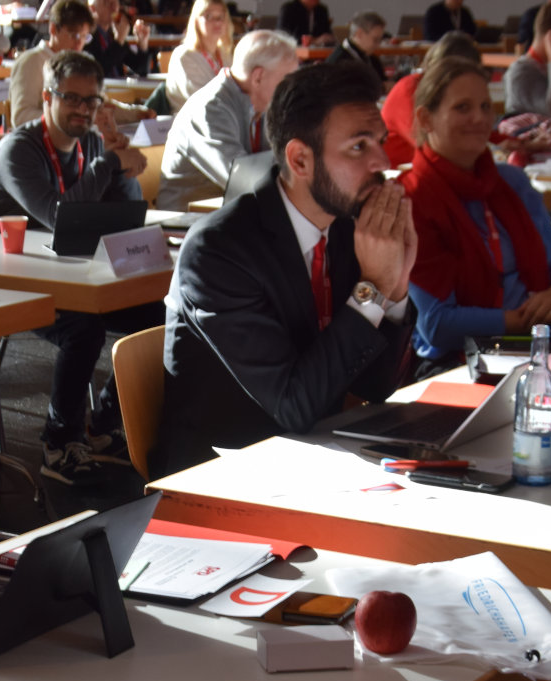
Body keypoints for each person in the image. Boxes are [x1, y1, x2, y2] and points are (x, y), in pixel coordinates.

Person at [154, 61, 417, 478]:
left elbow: (374, 387)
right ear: (299, 160)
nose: (382, 161)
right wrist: (374, 287)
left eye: (380, 142)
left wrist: (396, 287)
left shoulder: (347, 227)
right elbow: (293, 407)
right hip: (226, 477)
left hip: (318, 458)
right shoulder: (218, 252)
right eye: (358, 146)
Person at [0, 51, 151, 485]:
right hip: (8, 280)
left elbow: (123, 212)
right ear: (47, 96)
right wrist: (109, 164)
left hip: (71, 275)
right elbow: (60, 216)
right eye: (71, 98)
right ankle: (59, 440)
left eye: (92, 102)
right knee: (83, 328)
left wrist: (121, 166)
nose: (83, 110)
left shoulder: (90, 142)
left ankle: (103, 421)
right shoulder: (20, 148)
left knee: (162, 313)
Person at [402, 57, 551, 364]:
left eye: (486, 106)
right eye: (463, 107)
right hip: (459, 360)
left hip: (538, 343)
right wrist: (527, 321)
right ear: (426, 118)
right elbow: (436, 325)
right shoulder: (412, 199)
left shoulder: (512, 182)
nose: (480, 118)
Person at [157, 30, 297, 211]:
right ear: (258, 77)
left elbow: (280, 162)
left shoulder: (262, 105)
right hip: (190, 222)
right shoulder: (209, 109)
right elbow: (242, 179)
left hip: (232, 213)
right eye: (286, 81)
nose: (291, 90)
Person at [381, 30, 480, 167]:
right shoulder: (410, 90)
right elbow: (428, 144)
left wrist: (503, 141)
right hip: (399, 173)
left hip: (431, 167)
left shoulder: (447, 90)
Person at [9, 0, 93, 128]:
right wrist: (69, 117)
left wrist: (134, 113)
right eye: (73, 35)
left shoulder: (84, 62)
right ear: (53, 29)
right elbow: (21, 117)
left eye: (84, 37)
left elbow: (102, 106)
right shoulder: (30, 62)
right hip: (39, 143)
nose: (79, 43)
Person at [164, 0, 234, 113]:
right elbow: (202, 100)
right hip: (192, 123)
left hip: (222, 117)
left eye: (221, 17)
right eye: (209, 16)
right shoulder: (184, 55)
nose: (217, 22)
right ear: (196, 21)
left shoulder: (225, 54)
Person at [84, 0, 150, 78]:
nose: (114, 8)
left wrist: (143, 44)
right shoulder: (86, 36)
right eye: (107, 3)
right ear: (92, 9)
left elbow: (141, 71)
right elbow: (98, 71)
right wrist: (119, 40)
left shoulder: (112, 34)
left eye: (116, 3)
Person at [326, 11, 386, 86]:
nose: (378, 44)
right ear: (359, 34)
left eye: (380, 40)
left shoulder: (372, 58)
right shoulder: (338, 61)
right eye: (375, 39)